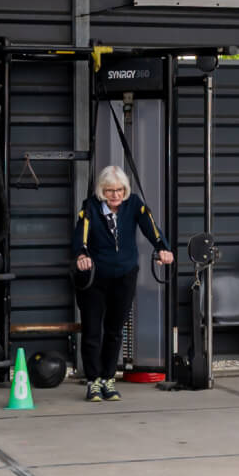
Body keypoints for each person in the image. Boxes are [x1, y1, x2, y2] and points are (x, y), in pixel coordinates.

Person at [74, 166, 173, 402]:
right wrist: (81, 254)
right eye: (110, 190)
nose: (115, 195)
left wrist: (162, 248)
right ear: (102, 191)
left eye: (119, 190)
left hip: (124, 275)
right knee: (92, 331)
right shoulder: (90, 207)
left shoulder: (134, 204)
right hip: (95, 277)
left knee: (115, 330)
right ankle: (93, 381)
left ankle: (108, 378)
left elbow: (151, 227)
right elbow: (80, 236)